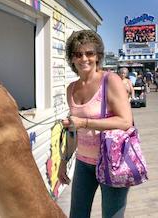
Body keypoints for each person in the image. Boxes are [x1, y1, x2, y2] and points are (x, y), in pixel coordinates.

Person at [58, 30, 133, 218]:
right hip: (84, 164)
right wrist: (64, 161)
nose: (84, 58)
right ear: (72, 58)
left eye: (89, 53)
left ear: (97, 56)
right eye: (78, 54)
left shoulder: (111, 80)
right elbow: (73, 131)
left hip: (112, 161)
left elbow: (125, 121)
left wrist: (84, 122)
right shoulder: (71, 89)